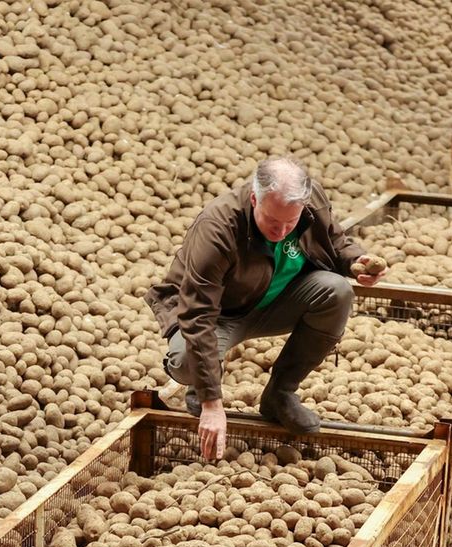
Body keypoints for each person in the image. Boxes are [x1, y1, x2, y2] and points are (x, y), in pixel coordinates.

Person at [145, 157, 387, 460]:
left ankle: (280, 395)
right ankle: (203, 384)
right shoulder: (217, 227)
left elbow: (335, 242)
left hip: (277, 301)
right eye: (273, 221)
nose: (283, 230)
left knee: (337, 291)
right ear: (254, 198)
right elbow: (198, 314)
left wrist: (355, 263)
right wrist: (212, 404)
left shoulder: (310, 202)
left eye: (291, 222)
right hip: (221, 314)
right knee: (185, 362)